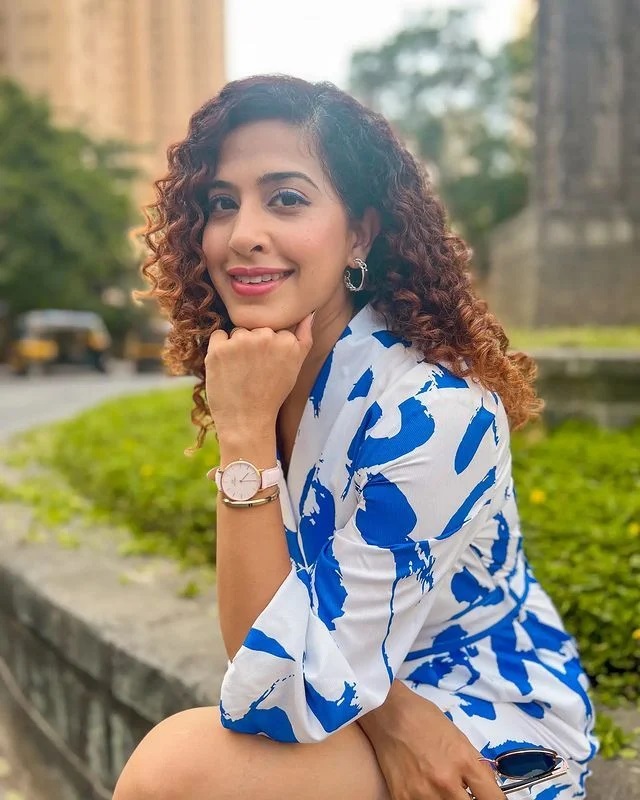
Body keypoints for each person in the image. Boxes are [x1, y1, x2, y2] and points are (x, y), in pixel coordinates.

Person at [113, 75, 597, 800]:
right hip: (371, 697)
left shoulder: (433, 414)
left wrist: (243, 433)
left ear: (360, 234)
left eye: (286, 199)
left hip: (481, 723)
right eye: (222, 204)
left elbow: (273, 688)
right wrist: (390, 713)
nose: (243, 234)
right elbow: (281, 661)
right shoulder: (275, 374)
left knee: (175, 770)